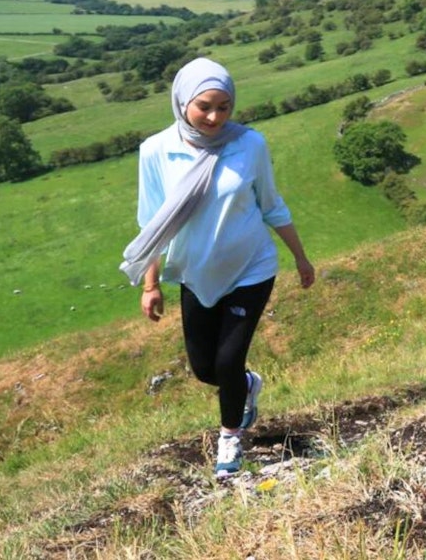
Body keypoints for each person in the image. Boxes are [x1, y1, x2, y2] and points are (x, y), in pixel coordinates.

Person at [120, 58, 314, 478]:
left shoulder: (249, 144)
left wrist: (300, 257)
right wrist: (150, 285)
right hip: (196, 273)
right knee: (205, 369)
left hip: (251, 268)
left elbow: (271, 205)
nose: (214, 117)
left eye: (224, 107)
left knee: (228, 361)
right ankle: (246, 386)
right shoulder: (155, 151)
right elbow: (153, 224)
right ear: (182, 101)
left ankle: (231, 438)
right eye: (204, 106)